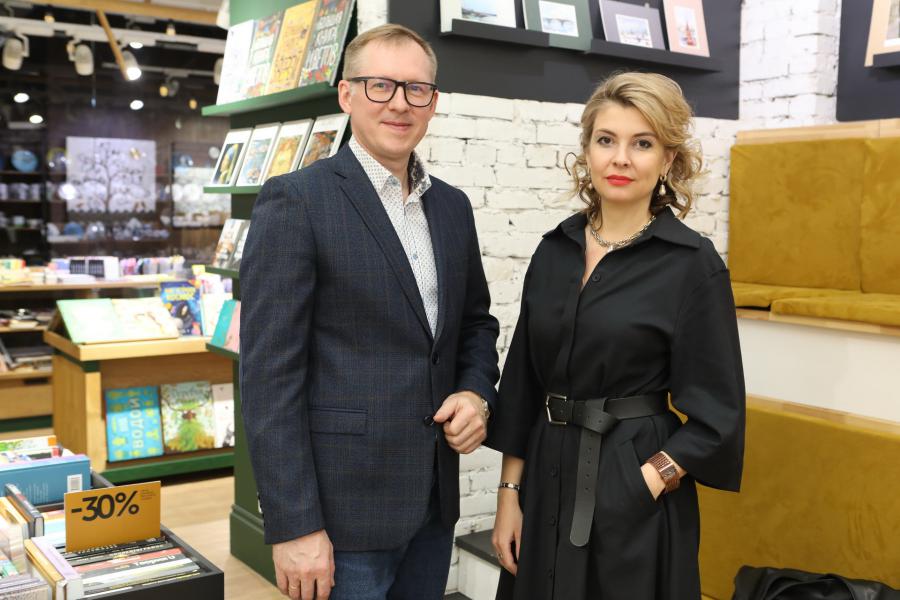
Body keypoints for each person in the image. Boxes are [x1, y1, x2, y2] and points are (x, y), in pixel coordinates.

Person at [239, 24, 500, 600]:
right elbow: (269, 378)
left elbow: (475, 324)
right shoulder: (296, 201)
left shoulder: (452, 207)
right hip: (340, 518)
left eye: (416, 89)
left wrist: (475, 392)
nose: (400, 104)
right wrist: (294, 524)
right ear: (346, 94)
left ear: (433, 101)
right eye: (380, 85)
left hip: (433, 502)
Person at [487, 72, 745, 599]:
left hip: (635, 491)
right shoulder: (553, 250)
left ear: (668, 159)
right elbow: (522, 385)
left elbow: (717, 416)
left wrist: (645, 480)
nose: (620, 159)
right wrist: (509, 494)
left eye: (642, 143)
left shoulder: (692, 264)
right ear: (587, 151)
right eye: (606, 140)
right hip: (545, 479)